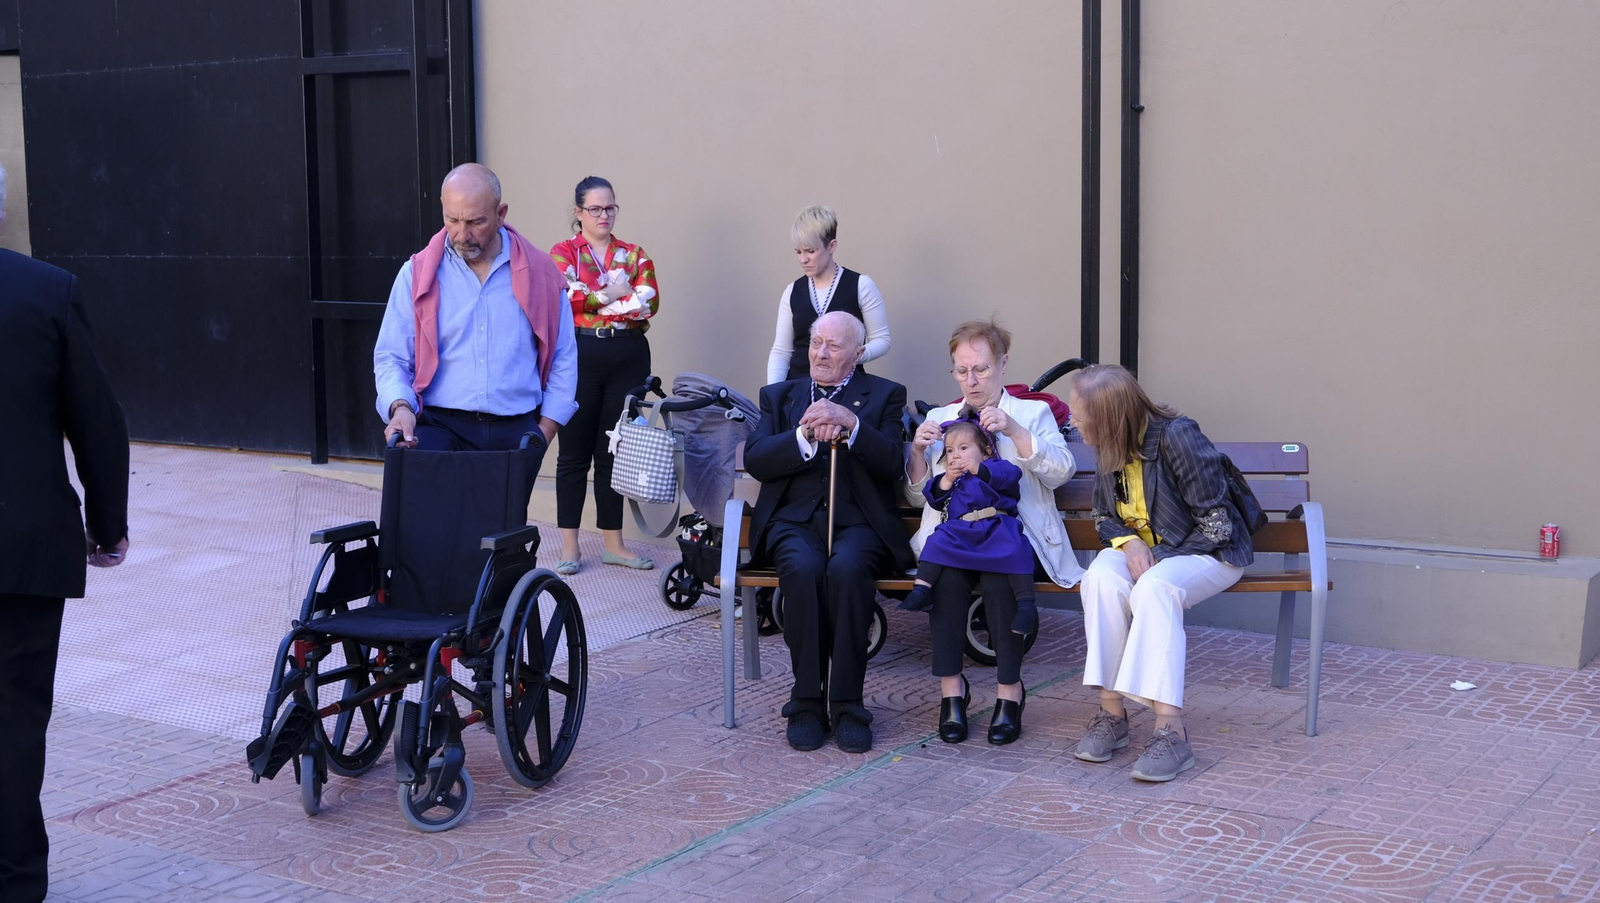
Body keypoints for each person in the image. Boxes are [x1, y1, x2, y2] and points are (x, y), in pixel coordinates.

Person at [0, 162, 131, 903]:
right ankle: (16, 882)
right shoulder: (47, 290)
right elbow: (97, 419)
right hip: (23, 547)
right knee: (15, 722)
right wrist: (107, 524)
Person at [1067, 364, 1252, 782]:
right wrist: (1130, 544)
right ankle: (1111, 714)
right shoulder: (1110, 442)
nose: (1073, 423)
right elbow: (1103, 514)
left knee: (1153, 587)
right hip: (1148, 549)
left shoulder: (1178, 436)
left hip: (1211, 553)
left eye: (1079, 416)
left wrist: (1157, 556)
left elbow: (1217, 525)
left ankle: (1171, 731)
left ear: (1109, 416)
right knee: (1100, 578)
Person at [907, 318, 1083, 745]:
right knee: (944, 582)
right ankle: (953, 693)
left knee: (1000, 581)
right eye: (962, 370)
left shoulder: (1032, 412)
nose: (971, 380)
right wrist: (915, 450)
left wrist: (1016, 432)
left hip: (1015, 541)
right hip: (955, 539)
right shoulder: (940, 418)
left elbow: (1062, 473)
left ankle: (1009, 693)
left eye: (981, 369)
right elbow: (919, 497)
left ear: (1003, 364)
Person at [745, 311, 913, 753]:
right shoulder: (780, 397)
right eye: (815, 342)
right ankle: (805, 702)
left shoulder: (886, 395)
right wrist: (802, 437)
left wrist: (852, 424)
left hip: (858, 522)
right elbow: (757, 459)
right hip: (794, 521)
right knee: (801, 569)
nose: (820, 353)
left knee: (847, 571)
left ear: (857, 354)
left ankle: (847, 705)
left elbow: (894, 462)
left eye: (833, 346)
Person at [373, 163, 577, 490]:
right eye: (452, 220)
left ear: (501, 214)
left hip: (516, 431)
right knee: (435, 533)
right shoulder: (416, 274)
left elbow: (564, 356)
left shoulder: (541, 273)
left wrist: (546, 429)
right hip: (439, 425)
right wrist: (400, 406)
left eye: (475, 222)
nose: (461, 234)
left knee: (502, 538)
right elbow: (392, 356)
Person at [548, 176, 660, 575]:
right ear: (578, 213)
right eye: (594, 208)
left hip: (627, 354)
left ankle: (614, 543)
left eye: (610, 207)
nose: (603, 215)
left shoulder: (633, 252)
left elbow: (648, 301)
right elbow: (566, 295)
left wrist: (598, 298)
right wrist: (614, 294)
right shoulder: (562, 253)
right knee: (574, 452)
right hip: (579, 353)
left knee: (615, 449)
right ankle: (570, 545)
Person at [898, 415, 1037, 640]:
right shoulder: (955, 479)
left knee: (1017, 550)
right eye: (950, 451)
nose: (956, 455)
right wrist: (947, 480)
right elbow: (934, 498)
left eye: (963, 448)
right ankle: (921, 589)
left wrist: (978, 469)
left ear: (986, 452)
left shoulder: (996, 466)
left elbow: (1010, 477)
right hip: (963, 530)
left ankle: (1026, 606)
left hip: (996, 526)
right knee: (938, 538)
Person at [765, 206, 891, 384]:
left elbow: (882, 340)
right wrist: (774, 394)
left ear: (831, 246)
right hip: (798, 390)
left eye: (810, 251)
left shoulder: (862, 286)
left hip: (848, 390)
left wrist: (852, 358)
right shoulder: (792, 291)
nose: (803, 259)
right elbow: (781, 351)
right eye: (798, 252)